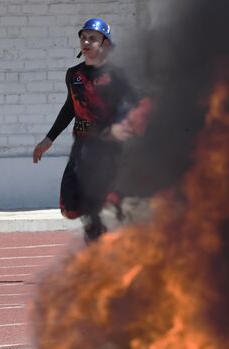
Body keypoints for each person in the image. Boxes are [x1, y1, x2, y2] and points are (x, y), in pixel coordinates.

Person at [33, 18, 152, 242]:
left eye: (93, 38)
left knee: (97, 200)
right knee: (69, 206)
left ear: (105, 44)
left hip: (108, 148)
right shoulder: (73, 75)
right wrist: (48, 139)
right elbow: (70, 107)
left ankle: (104, 240)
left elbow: (139, 104)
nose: (86, 41)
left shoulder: (117, 75)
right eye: (83, 37)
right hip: (81, 145)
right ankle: (104, 226)